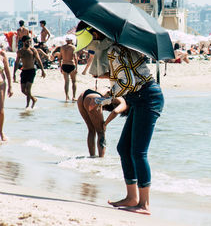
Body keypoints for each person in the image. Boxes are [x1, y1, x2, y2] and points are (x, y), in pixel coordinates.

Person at [75, 22, 164, 215]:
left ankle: (144, 204)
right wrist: (108, 82)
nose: (87, 45)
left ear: (95, 35)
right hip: (140, 97)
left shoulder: (114, 50)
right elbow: (126, 78)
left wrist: (101, 99)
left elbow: (128, 83)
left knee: (138, 152)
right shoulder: (116, 46)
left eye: (87, 38)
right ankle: (132, 197)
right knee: (124, 148)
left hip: (148, 98)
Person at [77, 89, 128, 157]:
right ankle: (101, 159)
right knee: (101, 131)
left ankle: (92, 156)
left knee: (91, 130)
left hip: (82, 97)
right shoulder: (123, 102)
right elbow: (115, 112)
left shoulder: (117, 96)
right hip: (94, 98)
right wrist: (105, 124)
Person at [14, 35, 46, 108]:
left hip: (31, 71)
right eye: (27, 42)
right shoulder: (20, 51)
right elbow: (16, 63)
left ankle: (27, 106)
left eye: (30, 41)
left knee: (28, 90)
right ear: (23, 42)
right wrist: (14, 74)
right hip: (24, 71)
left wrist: (42, 70)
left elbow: (38, 60)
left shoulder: (33, 50)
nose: (29, 43)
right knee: (23, 90)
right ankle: (33, 99)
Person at [58, 35, 78, 101]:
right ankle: (74, 97)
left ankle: (66, 97)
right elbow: (75, 58)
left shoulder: (62, 47)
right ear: (70, 41)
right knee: (74, 81)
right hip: (71, 65)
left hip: (64, 65)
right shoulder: (73, 47)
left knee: (66, 82)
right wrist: (76, 68)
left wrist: (60, 67)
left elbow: (59, 58)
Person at [0, 44, 13, 141]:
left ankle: (1, 132)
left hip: (1, 84)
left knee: (1, 110)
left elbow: (7, 71)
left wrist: (10, 86)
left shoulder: (2, 54)